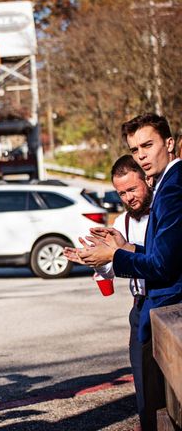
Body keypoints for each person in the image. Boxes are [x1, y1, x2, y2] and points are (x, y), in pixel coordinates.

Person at [75, 114, 181, 431]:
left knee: (161, 406)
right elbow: (166, 255)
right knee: (157, 405)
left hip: (168, 306)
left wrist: (117, 255)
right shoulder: (168, 186)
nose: (142, 155)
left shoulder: (172, 189)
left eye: (148, 145)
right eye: (135, 149)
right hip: (155, 308)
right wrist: (125, 249)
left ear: (170, 143)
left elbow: (164, 266)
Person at [64, 155, 151, 427]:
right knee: (144, 382)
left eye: (132, 190)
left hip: (168, 303)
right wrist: (96, 260)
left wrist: (120, 251)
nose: (127, 198)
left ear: (147, 181)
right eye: (121, 193)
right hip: (140, 306)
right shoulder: (122, 222)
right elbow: (111, 271)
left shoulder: (163, 214)